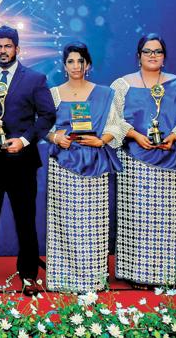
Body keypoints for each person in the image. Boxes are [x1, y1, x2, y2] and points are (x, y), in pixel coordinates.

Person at [107, 33, 176, 288]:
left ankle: (167, 273)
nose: (152, 55)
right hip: (134, 163)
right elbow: (112, 119)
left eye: (157, 51)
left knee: (168, 221)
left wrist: (173, 136)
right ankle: (136, 273)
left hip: (170, 162)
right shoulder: (121, 85)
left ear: (164, 56)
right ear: (138, 56)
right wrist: (136, 135)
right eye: (147, 51)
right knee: (135, 219)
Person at [0, 26, 55, 294]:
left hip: (22, 161)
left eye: (7, 46)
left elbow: (48, 116)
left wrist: (25, 140)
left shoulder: (35, 79)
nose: (2, 51)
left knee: (25, 221)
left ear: (17, 48)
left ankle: (29, 276)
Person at [45, 42, 122, 292]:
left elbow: (116, 125)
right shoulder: (54, 93)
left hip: (94, 163)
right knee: (63, 221)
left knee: (93, 224)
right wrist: (56, 137)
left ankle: (92, 279)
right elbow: (42, 125)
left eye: (80, 61)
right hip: (62, 164)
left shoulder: (105, 93)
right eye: (71, 61)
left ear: (88, 65)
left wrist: (102, 140)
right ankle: (62, 279)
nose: (76, 66)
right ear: (64, 65)